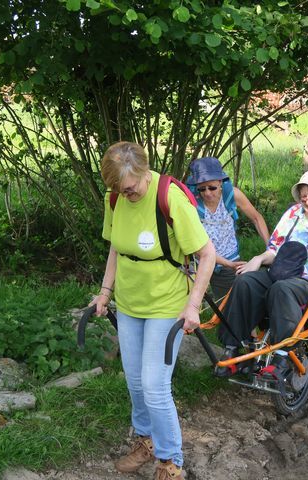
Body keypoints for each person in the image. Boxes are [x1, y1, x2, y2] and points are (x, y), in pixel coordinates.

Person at [91, 141, 216, 480]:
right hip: (131, 304)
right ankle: (145, 441)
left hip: (167, 305)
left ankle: (170, 461)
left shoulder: (169, 198)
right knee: (134, 382)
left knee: (154, 384)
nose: (125, 195)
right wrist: (105, 292)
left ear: (145, 172)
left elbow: (207, 254)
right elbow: (117, 246)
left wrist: (193, 306)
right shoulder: (115, 197)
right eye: (118, 190)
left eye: (130, 190)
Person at [215, 170, 308, 379]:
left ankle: (282, 356)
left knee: (281, 289)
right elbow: (275, 248)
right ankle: (233, 349)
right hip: (282, 271)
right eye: (304, 195)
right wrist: (260, 259)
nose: (307, 201)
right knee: (245, 281)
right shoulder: (293, 214)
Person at [187, 157, 270, 300]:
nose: (207, 193)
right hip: (200, 260)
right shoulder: (190, 201)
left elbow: (256, 218)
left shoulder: (232, 194)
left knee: (229, 306)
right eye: (202, 188)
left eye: (212, 187)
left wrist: (271, 248)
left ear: (220, 182)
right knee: (191, 306)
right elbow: (191, 242)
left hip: (229, 258)